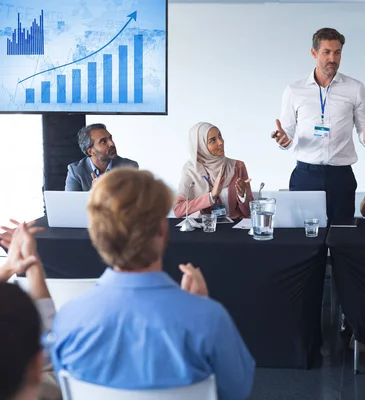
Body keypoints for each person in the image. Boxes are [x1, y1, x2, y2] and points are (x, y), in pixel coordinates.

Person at [51, 168, 255, 399]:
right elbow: (237, 391)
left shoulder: (68, 319)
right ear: (162, 230)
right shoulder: (209, 318)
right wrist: (198, 307)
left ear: (97, 234)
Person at [271, 27, 365, 221]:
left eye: (337, 52)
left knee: (341, 237)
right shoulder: (294, 90)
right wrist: (283, 140)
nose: (333, 58)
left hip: (340, 176)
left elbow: (363, 131)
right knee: (304, 239)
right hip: (306, 174)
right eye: (327, 52)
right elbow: (287, 133)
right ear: (314, 53)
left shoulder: (355, 88)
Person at [0, 221, 60, 400]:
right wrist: (31, 262)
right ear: (35, 368)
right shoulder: (52, 392)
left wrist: (9, 266)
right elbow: (50, 360)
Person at [174, 122, 253, 219]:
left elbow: (249, 213)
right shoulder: (190, 170)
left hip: (234, 228)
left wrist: (242, 196)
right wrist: (211, 196)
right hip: (205, 228)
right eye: (212, 140)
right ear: (200, 146)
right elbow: (178, 210)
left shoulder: (238, 166)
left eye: (220, 136)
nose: (221, 142)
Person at [65, 123, 138, 191]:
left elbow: (136, 201)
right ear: (90, 151)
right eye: (103, 141)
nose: (111, 144)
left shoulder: (129, 167)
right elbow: (70, 203)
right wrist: (93, 192)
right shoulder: (75, 171)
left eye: (110, 138)